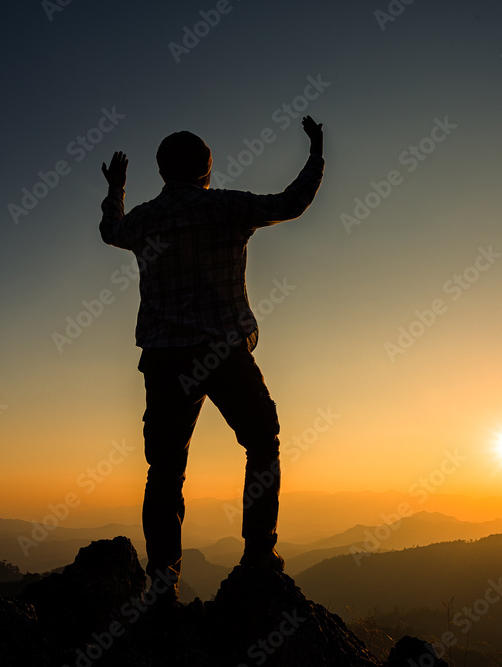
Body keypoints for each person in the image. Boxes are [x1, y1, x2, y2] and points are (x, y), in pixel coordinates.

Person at [98, 115, 325, 605]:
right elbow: (292, 202)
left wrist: (116, 189)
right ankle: (259, 557)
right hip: (223, 350)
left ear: (161, 171)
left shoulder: (144, 219)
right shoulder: (223, 205)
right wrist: (316, 153)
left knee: (164, 469)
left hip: (163, 357)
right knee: (262, 439)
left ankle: (163, 584)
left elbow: (110, 230)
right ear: (206, 168)